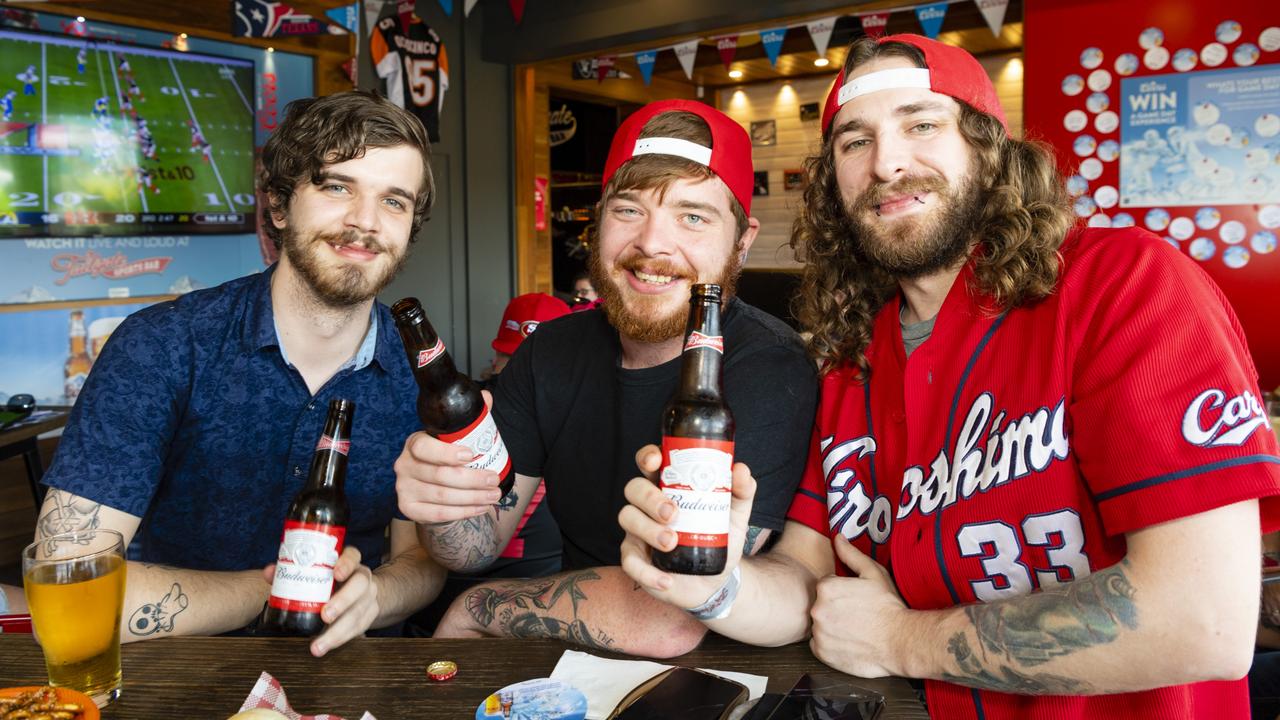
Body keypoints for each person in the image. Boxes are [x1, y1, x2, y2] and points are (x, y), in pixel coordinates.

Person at [619, 34, 1280, 718]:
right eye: (854, 141)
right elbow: (806, 579)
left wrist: (903, 639)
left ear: (988, 149)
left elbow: (1204, 619)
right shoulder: (852, 362)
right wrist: (714, 585)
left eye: (922, 124)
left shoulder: (1126, 284)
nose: (887, 162)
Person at [395, 99, 818, 657]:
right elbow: (476, 546)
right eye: (629, 210)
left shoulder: (771, 369)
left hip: (728, 680)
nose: (652, 245)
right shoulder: (552, 350)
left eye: (692, 216)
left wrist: (477, 607)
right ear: (599, 220)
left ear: (741, 240)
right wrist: (443, 505)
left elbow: (672, 604)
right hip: (568, 662)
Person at [36, 91, 445, 657]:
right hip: (172, 675)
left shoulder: (421, 373)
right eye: (336, 187)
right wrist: (275, 590)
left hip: (350, 676)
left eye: (394, 201)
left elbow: (421, 560)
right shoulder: (161, 345)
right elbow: (68, 585)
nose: (365, 222)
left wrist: (377, 593)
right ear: (278, 206)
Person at [406, 293, 569, 636]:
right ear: (495, 358)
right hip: (452, 594)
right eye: (512, 358)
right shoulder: (454, 413)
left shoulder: (579, 419)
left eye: (536, 363)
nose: (523, 376)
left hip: (546, 598)